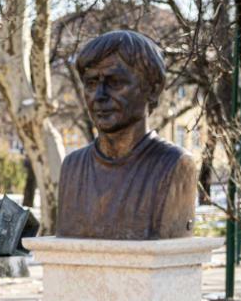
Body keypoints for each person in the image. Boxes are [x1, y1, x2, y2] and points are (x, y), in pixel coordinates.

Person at [56, 30, 196, 240]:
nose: (99, 96)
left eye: (115, 83)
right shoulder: (72, 168)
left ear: (153, 89)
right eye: (91, 84)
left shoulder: (174, 165)